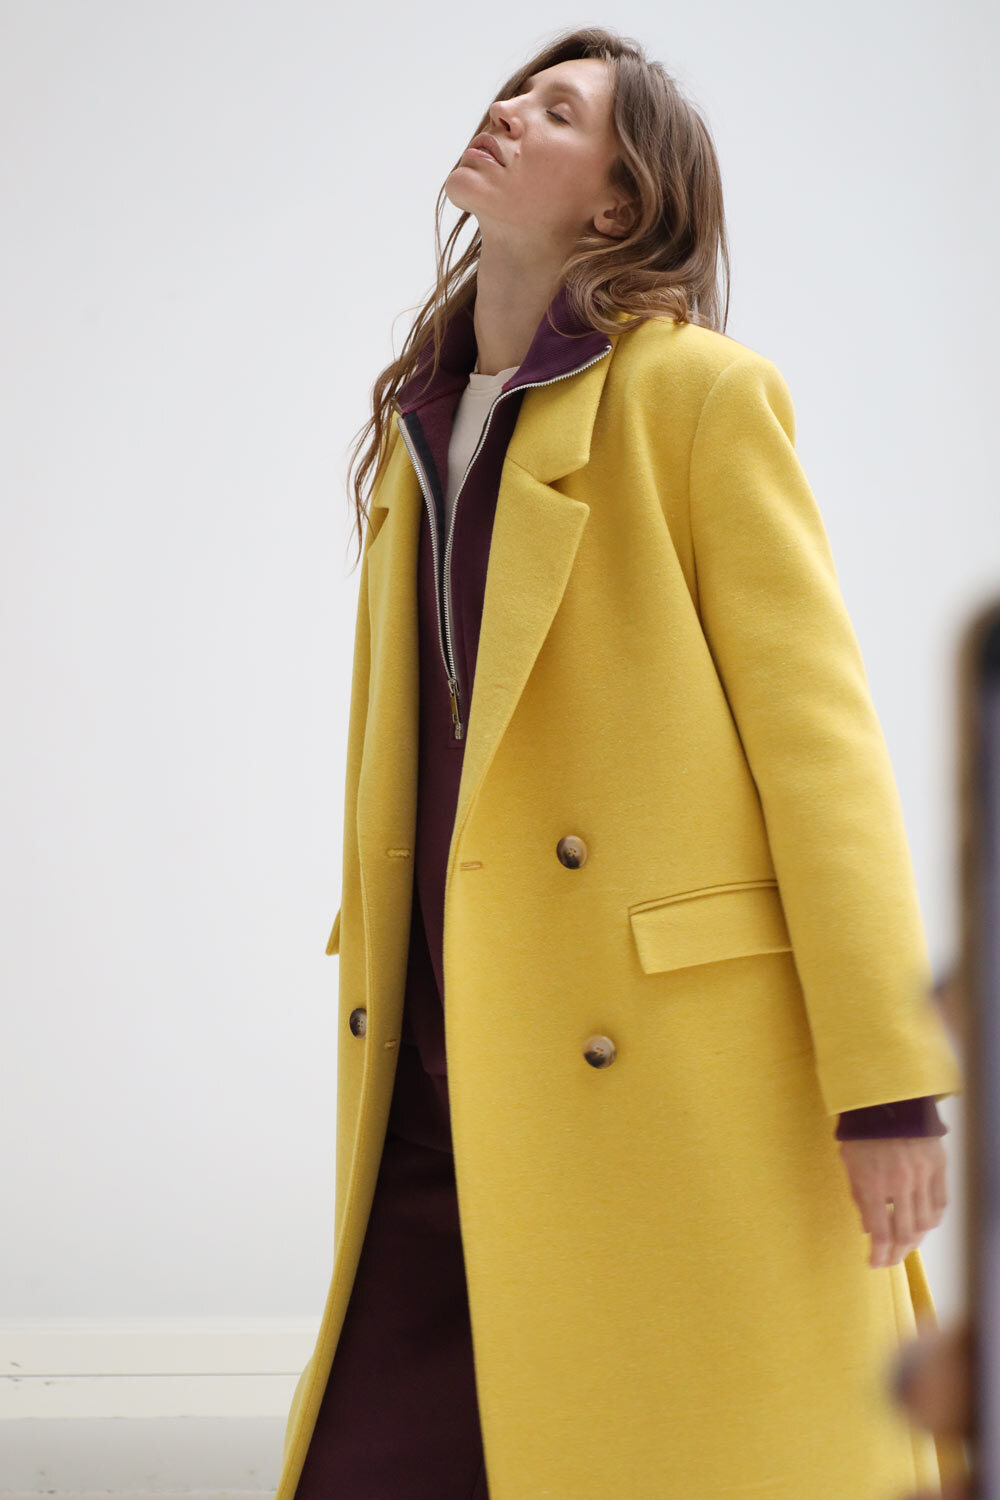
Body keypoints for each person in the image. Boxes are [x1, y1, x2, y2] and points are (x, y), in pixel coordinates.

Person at [277, 27, 965, 1500]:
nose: (509, 111)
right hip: (440, 1038)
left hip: (658, 1049)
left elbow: (824, 757)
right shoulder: (418, 425)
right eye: (514, 92)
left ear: (619, 199)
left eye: (560, 109)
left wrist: (888, 1089)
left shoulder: (697, 397)